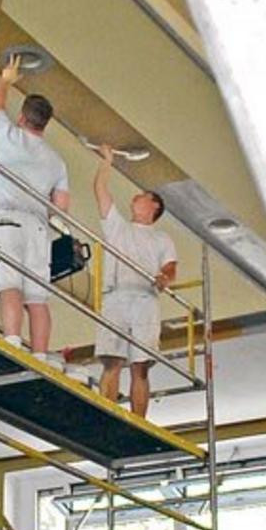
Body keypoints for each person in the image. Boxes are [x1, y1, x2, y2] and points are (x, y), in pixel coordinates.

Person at [0, 54, 70, 365]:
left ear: (22, 117)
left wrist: (5, 81)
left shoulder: (9, 136)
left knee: (9, 282)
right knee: (37, 296)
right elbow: (61, 205)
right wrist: (41, 214)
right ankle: (39, 353)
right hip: (37, 227)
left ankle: (11, 340)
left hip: (7, 220)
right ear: (45, 124)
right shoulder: (56, 160)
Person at [92, 144, 176, 417]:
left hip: (144, 297)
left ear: (154, 206)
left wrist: (165, 278)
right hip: (115, 295)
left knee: (140, 365)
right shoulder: (118, 227)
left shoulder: (161, 238)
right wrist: (107, 162)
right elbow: (100, 191)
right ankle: (109, 414)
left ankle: (138, 420)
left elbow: (170, 266)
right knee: (111, 360)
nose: (136, 197)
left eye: (142, 196)